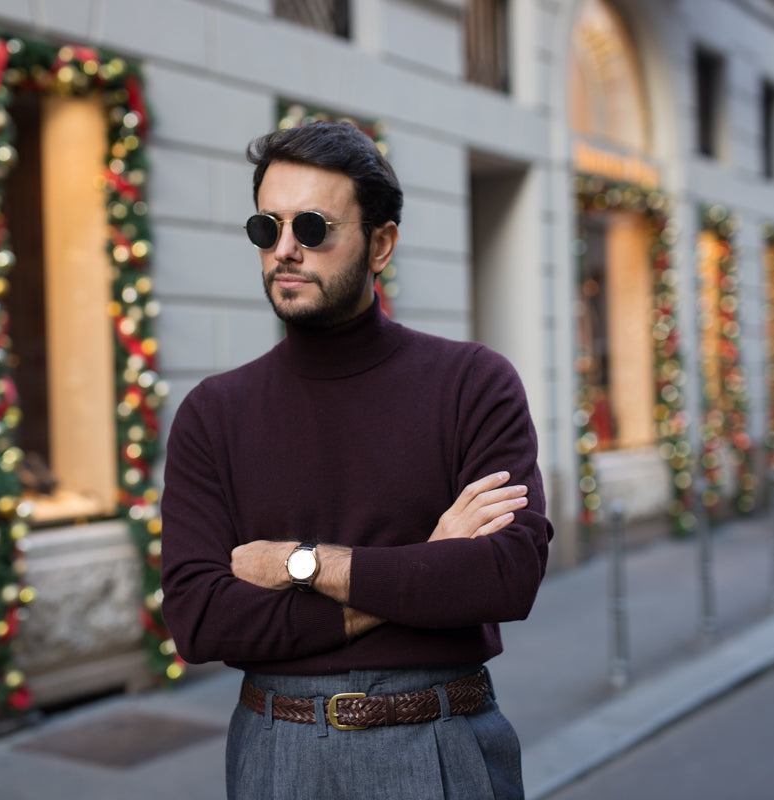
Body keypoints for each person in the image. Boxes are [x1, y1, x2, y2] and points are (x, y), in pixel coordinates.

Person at [159, 120, 554, 800]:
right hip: (274, 750)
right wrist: (423, 564)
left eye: (313, 228)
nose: (285, 250)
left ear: (381, 244)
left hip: (437, 740)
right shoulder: (213, 412)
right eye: (266, 228)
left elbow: (505, 575)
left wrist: (298, 565)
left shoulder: (472, 382)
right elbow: (199, 619)